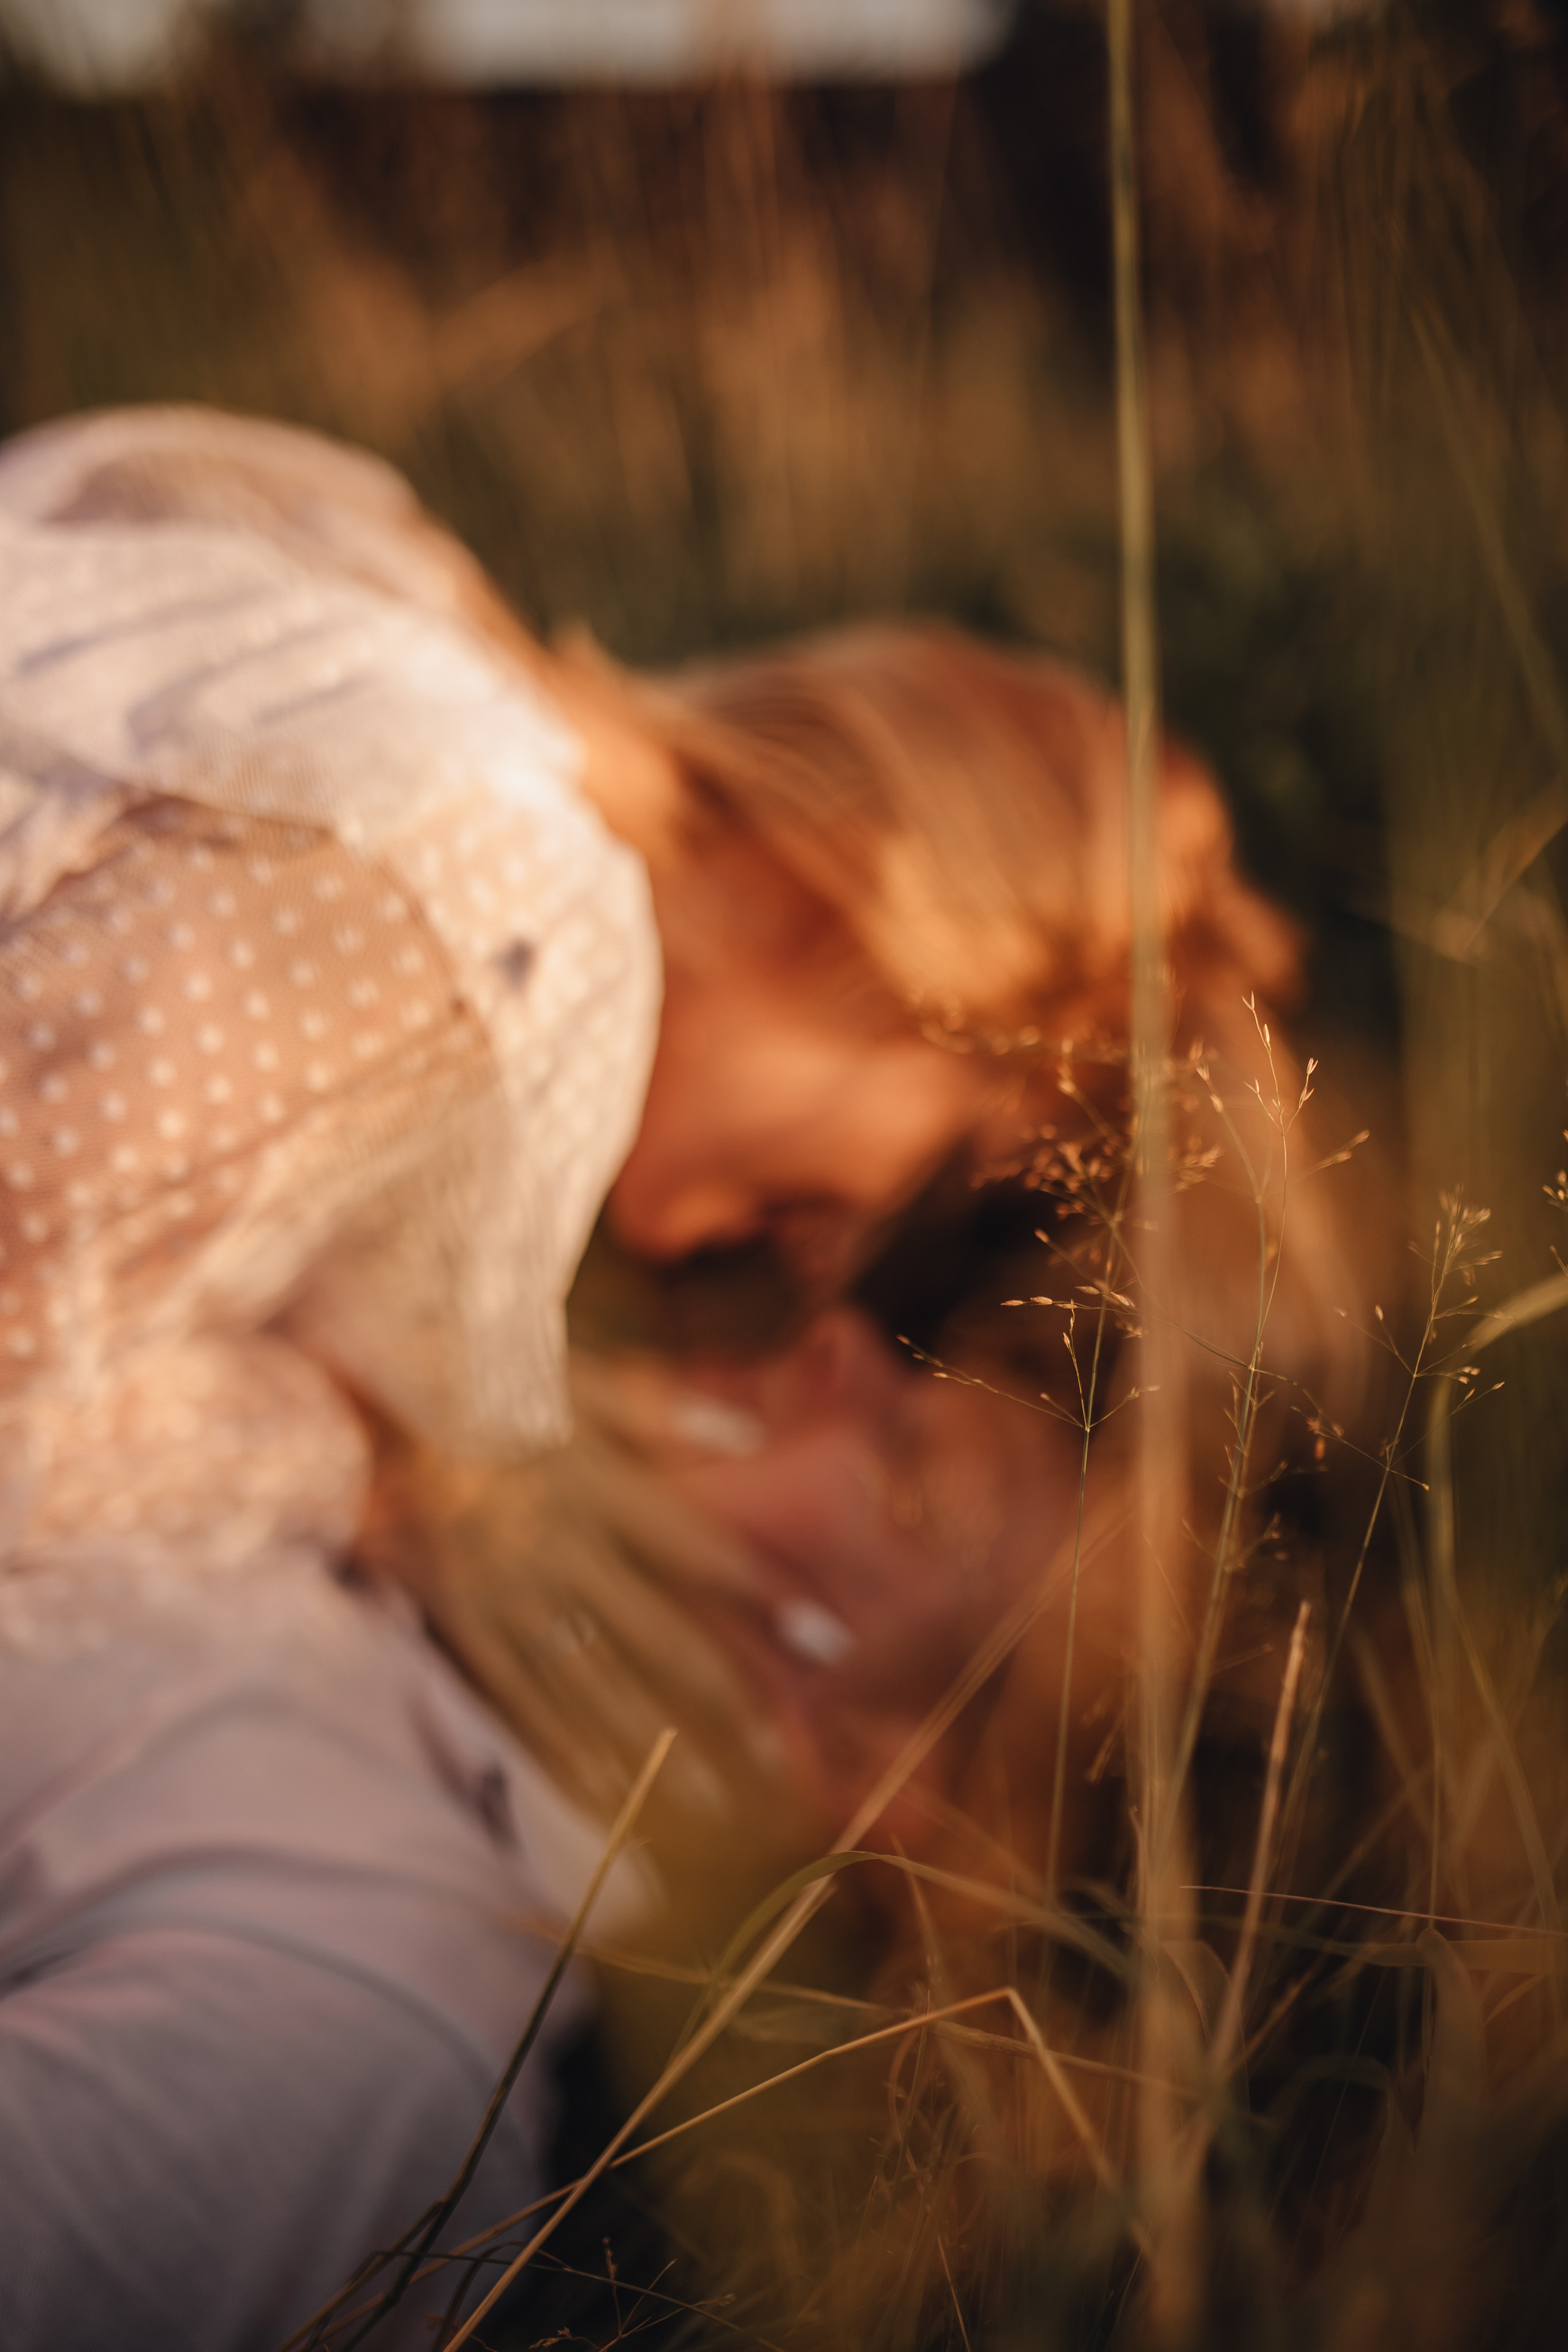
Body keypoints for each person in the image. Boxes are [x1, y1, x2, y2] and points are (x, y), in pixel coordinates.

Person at [0, 403, 1352, 2348]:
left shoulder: (358, 2001)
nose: (818, 1312)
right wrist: (371, 1457)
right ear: (854, 902)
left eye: (906, 1464)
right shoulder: (487, 887)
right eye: (870, 1202)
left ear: (869, 1778)